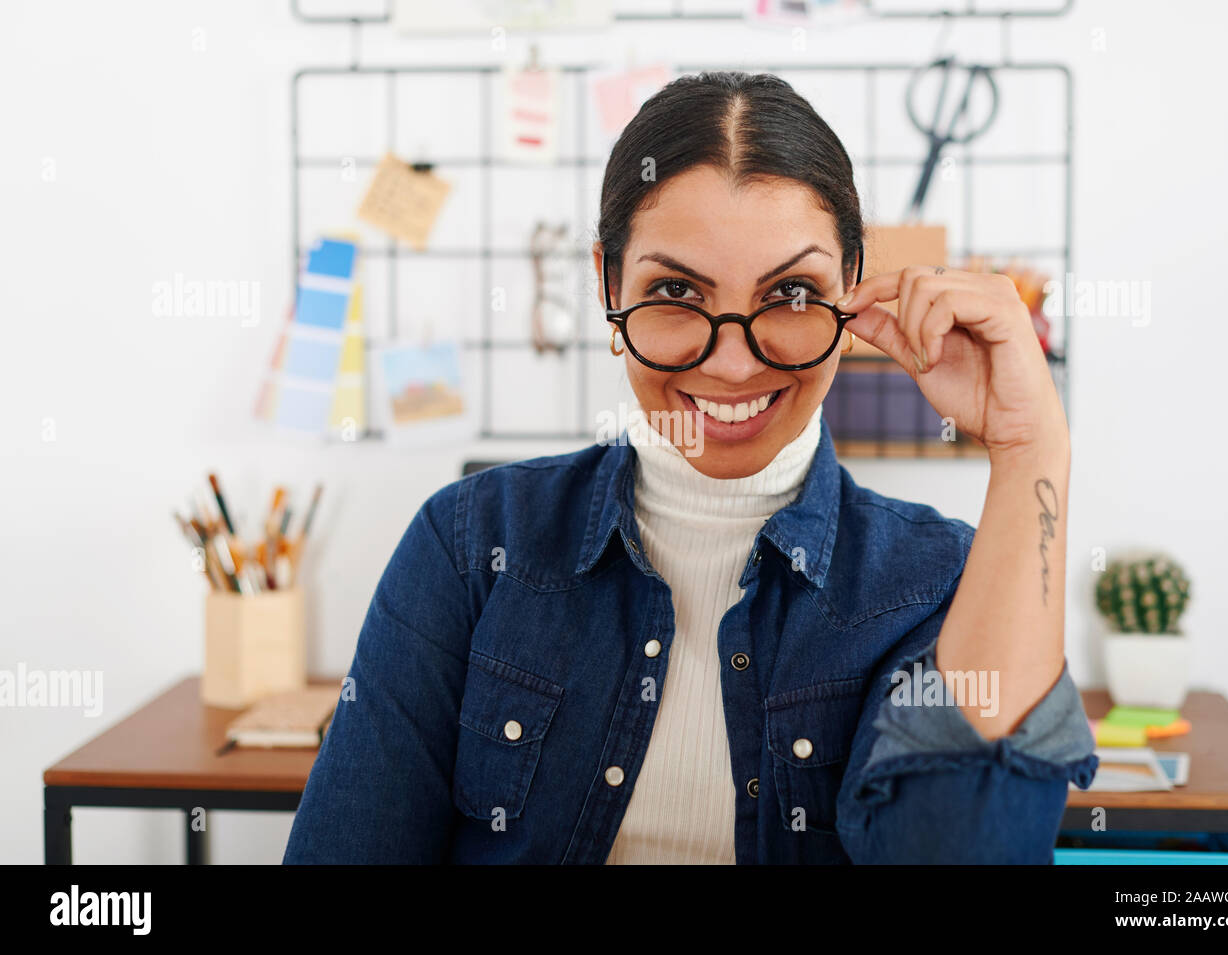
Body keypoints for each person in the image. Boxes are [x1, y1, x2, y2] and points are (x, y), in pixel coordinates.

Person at [283, 71, 1096, 865]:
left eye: (792, 294)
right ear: (608, 283)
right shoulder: (469, 544)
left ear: (852, 289)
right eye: (676, 289)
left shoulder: (935, 580)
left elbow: (959, 845)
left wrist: (1031, 445)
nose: (735, 363)